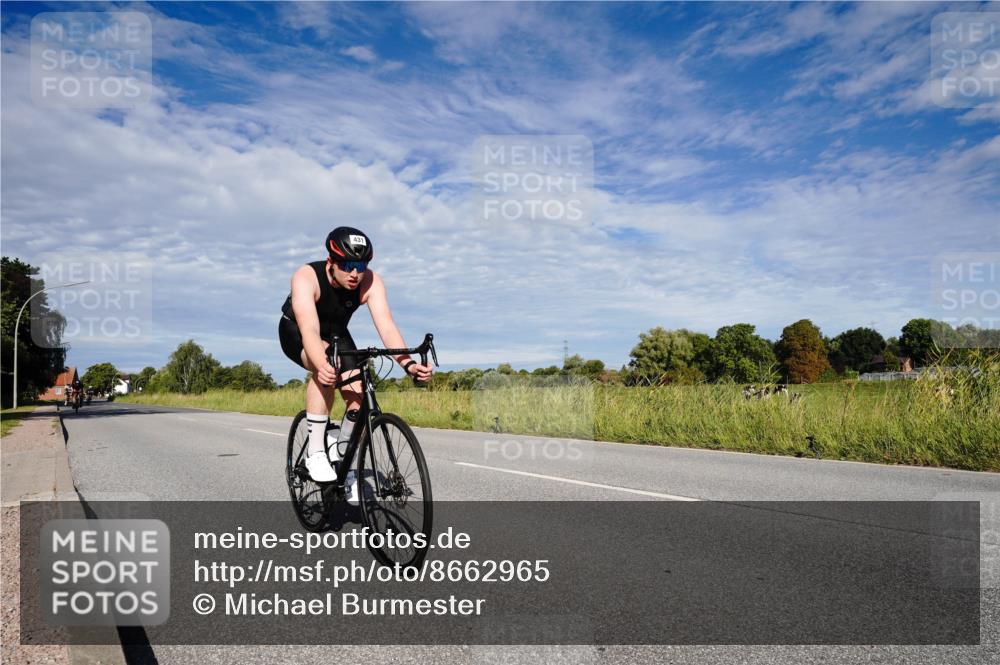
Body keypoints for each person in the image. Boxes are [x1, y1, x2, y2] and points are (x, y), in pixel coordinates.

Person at [279, 227, 433, 482]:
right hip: (296, 330)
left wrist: (408, 364)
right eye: (348, 264)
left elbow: (386, 325)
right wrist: (322, 364)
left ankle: (344, 459)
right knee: (327, 366)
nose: (355, 273)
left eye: (361, 265)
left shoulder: (371, 281)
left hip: (337, 332)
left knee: (358, 392)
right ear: (331, 262)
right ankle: (316, 452)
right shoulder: (306, 277)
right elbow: (309, 328)